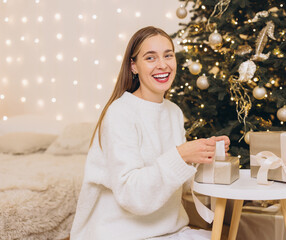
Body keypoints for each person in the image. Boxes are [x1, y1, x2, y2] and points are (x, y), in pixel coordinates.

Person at [70, 26, 230, 240]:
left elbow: (175, 184)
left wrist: (203, 154)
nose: (162, 65)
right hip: (119, 233)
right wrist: (180, 155)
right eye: (150, 58)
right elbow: (132, 195)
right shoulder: (120, 113)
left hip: (169, 231)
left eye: (168, 55)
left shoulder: (173, 112)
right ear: (133, 66)